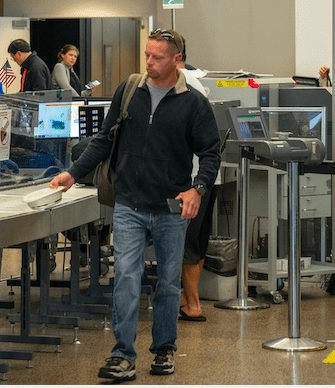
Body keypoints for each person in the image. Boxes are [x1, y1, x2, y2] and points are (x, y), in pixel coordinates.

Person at [49, 29, 220, 382]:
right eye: (147, 55)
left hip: (171, 206)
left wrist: (197, 189)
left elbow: (210, 152)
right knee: (127, 277)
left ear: (177, 60)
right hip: (129, 203)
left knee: (169, 283)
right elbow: (103, 140)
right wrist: (73, 173)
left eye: (157, 57)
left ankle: (164, 349)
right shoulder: (130, 90)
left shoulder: (194, 102)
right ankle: (123, 355)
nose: (149, 62)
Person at [177, 45, 217, 322]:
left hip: (189, 179)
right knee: (198, 240)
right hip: (205, 176)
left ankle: (192, 304)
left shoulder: (182, 82)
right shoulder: (197, 81)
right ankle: (190, 299)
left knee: (188, 242)